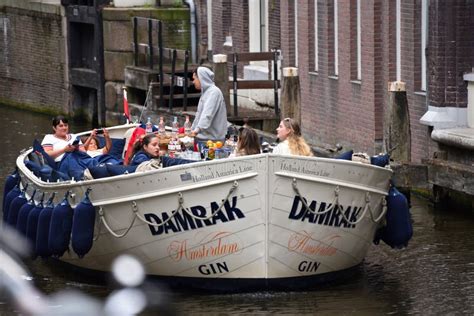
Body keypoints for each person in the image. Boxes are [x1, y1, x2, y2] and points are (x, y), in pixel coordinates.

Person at [190, 67, 228, 143]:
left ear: (201, 78)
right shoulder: (206, 92)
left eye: (194, 79)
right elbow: (199, 114)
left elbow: (207, 114)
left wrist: (197, 130)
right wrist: (192, 128)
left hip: (213, 140)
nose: (193, 82)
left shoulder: (214, 92)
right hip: (204, 138)